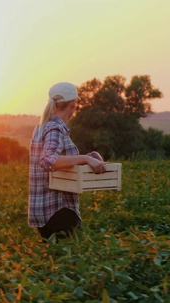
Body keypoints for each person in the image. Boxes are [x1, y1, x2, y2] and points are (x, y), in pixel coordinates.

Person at [28, 82, 105, 241]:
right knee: (80, 258)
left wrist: (82, 162)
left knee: (53, 262)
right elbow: (48, 161)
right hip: (58, 209)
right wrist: (85, 158)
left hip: (42, 211)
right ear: (73, 104)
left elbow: (57, 160)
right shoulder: (55, 129)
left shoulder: (42, 127)